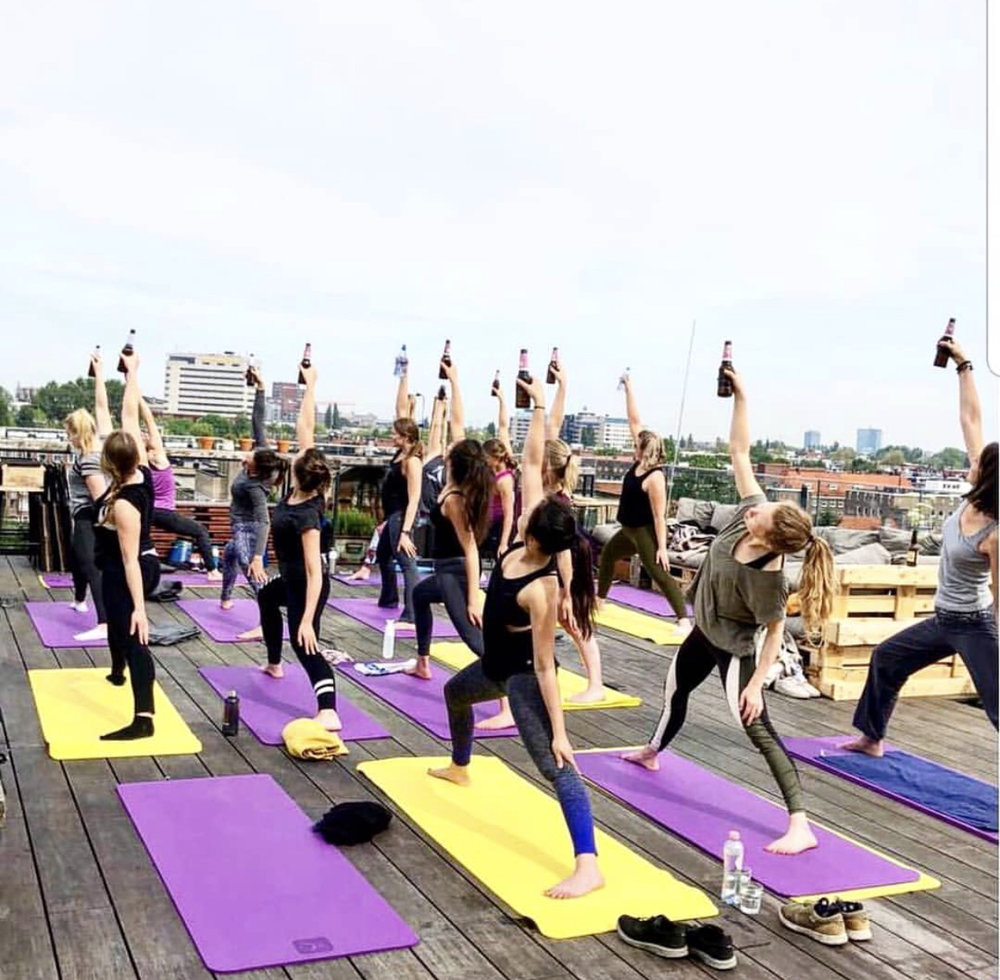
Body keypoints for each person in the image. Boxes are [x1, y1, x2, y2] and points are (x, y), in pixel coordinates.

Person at [622, 366, 835, 855]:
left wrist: (758, 684)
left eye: (760, 513)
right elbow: (739, 450)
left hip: (736, 649)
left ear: (767, 536)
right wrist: (741, 395)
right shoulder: (750, 516)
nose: (752, 507)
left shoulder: (769, 580)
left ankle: (800, 823)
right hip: (704, 631)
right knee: (674, 689)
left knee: (753, 726)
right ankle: (652, 752)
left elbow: (775, 635)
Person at [429, 374, 604, 899]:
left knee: (557, 765)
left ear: (534, 534)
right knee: (454, 693)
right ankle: (461, 767)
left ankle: (588, 864)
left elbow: (548, 666)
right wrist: (538, 405)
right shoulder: (528, 540)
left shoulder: (543, 590)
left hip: (524, 679)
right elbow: (531, 460)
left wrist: (561, 730)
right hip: (494, 668)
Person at [844, 338, 997, 753]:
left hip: (976, 625)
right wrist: (964, 364)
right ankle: (871, 737)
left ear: (987, 476)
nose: (970, 463)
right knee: (887, 659)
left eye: (977, 463)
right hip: (944, 619)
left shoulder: (995, 533)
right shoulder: (971, 496)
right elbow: (971, 418)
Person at [257, 357, 341, 731]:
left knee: (306, 644)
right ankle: (274, 663)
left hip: (308, 586)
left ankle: (328, 710)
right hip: (289, 580)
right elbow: (304, 426)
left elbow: (315, 570)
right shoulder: (295, 490)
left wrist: (306, 618)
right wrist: (311, 384)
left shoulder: (308, 513)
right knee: (263, 596)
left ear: (298, 471)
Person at [408, 359, 492, 680]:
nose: (445, 450)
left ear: (455, 462)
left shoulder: (455, 498)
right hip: (446, 570)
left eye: (450, 450)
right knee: (418, 595)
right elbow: (458, 423)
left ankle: (510, 697)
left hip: (455, 573)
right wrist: (455, 381)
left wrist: (473, 597)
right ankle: (422, 662)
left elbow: (471, 550)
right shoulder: (454, 482)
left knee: (474, 639)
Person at [94, 351, 161, 740]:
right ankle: (118, 672)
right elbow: (127, 417)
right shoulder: (140, 472)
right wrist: (130, 372)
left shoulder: (123, 505)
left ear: (112, 464)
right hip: (119, 569)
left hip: (133, 569)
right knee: (113, 623)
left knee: (132, 634)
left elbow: (131, 560)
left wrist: (141, 609)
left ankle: (144, 720)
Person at [596, 374, 691, 630]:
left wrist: (661, 547)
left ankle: (683, 619)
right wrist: (629, 388)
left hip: (644, 533)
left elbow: (660, 517)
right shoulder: (639, 463)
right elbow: (635, 420)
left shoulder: (655, 477)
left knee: (659, 571)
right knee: (607, 556)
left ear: (645, 451)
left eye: (637, 447)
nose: (633, 448)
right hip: (627, 529)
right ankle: (599, 600)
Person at [219, 365, 283, 610]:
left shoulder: (256, 486)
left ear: (255, 469)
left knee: (250, 568)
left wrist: (258, 555)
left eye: (249, 458)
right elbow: (258, 420)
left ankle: (270, 610)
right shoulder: (263, 458)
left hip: (248, 529)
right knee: (229, 555)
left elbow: (264, 521)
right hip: (239, 527)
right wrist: (261, 387)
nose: (246, 456)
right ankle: (225, 597)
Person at [140, 398, 222, 580]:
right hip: (163, 513)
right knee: (200, 530)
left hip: (147, 512)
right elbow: (151, 422)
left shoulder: (138, 462)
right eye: (142, 435)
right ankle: (213, 571)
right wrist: (137, 395)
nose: (146, 434)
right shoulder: (157, 457)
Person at [65, 350, 112, 642]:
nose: (66, 436)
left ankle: (105, 623)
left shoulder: (89, 458)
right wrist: (99, 375)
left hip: (89, 514)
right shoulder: (102, 438)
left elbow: (100, 496)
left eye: (68, 432)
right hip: (87, 514)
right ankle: (80, 600)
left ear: (76, 432)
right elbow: (102, 406)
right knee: (77, 557)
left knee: (90, 564)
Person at [376, 361, 422, 621]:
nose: (392, 436)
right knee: (383, 555)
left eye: (395, 434)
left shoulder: (412, 461)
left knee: (406, 561)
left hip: (402, 516)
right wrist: (404, 376)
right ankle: (389, 597)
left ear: (405, 437)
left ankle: (413, 612)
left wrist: (404, 531)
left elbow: (414, 498)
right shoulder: (402, 452)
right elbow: (401, 409)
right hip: (392, 516)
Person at [482, 380, 517, 561]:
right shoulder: (505, 455)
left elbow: (509, 512)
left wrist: (504, 543)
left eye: (486, 458)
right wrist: (502, 399)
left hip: (498, 525)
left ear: (495, 458)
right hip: (487, 520)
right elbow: (503, 426)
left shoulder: (504, 481)